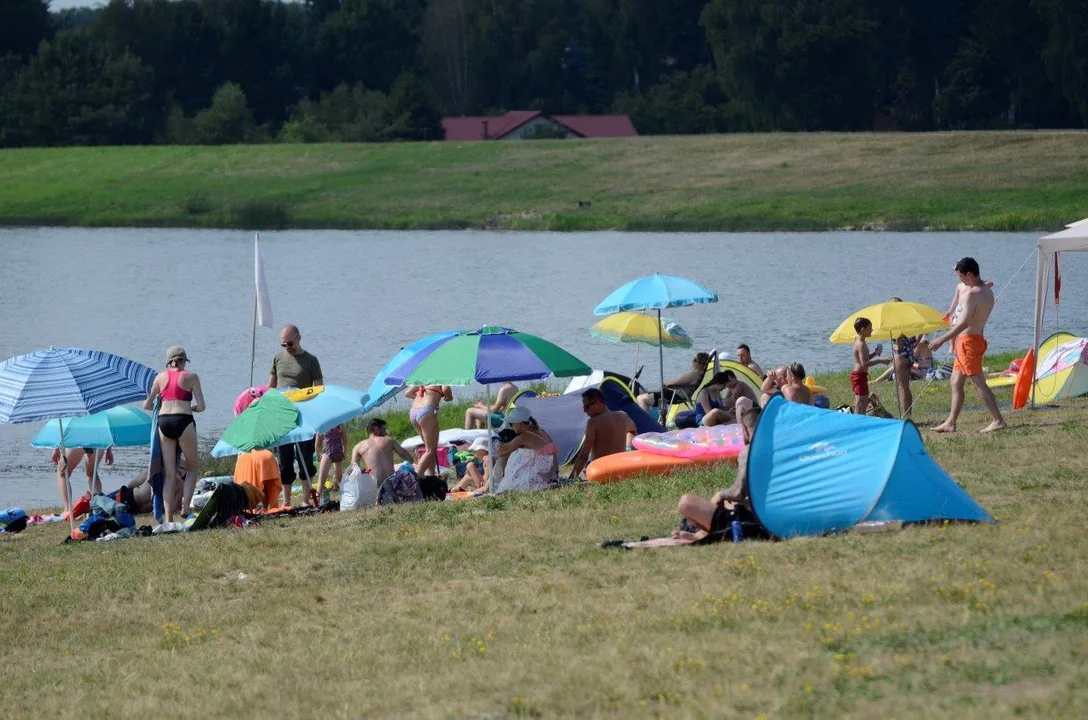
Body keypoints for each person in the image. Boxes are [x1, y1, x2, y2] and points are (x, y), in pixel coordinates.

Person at [930, 257, 1007, 433]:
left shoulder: (973, 293)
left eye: (961, 277)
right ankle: (950, 422)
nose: (960, 281)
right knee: (956, 381)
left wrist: (941, 340)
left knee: (979, 382)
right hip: (970, 341)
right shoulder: (986, 290)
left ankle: (998, 419)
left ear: (970, 274)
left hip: (969, 342)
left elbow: (964, 323)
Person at [672, 407, 764, 543]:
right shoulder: (778, 448)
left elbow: (738, 492)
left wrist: (720, 494)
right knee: (727, 504)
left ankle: (701, 534)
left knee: (686, 502)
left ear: (744, 430)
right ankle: (701, 533)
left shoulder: (749, 451)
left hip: (752, 519)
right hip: (770, 514)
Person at [143, 346, 206, 522]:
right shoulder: (191, 377)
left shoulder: (160, 377)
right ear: (183, 361)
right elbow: (202, 406)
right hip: (183, 421)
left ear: (169, 362)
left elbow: (146, 405)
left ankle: (169, 517)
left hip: (164, 423)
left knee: (170, 473)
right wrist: (191, 408)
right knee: (192, 467)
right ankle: (185, 507)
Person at [268, 324, 323, 505]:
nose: (287, 347)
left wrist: (313, 408)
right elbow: (271, 387)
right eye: (283, 344)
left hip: (303, 413)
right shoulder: (277, 358)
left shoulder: (311, 360)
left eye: (290, 343)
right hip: (282, 413)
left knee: (305, 457)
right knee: (285, 458)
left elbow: (319, 388)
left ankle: (306, 499)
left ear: (299, 338)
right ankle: (287, 501)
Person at [570, 388, 637, 480]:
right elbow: (633, 430)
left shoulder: (593, 422)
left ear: (598, 403)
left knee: (589, 459)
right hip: (620, 467)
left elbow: (583, 455)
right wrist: (628, 448)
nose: (584, 411)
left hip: (600, 469)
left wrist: (572, 478)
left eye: (586, 407)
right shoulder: (623, 416)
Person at [494, 406, 559, 493]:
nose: (511, 427)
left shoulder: (524, 437)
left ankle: (498, 482)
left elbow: (501, 452)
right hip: (547, 475)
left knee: (510, 454)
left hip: (532, 477)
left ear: (520, 423)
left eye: (512, 424)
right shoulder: (542, 432)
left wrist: (500, 447)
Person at [636, 352, 711, 415]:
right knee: (642, 396)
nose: (693, 361)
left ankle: (647, 421)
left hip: (674, 396)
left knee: (642, 399)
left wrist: (664, 382)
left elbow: (674, 383)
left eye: (695, 360)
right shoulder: (699, 375)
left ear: (699, 363)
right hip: (675, 395)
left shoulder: (694, 374)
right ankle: (662, 417)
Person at [350, 419, 415, 490]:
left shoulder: (358, 446)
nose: (385, 433)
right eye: (384, 429)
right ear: (377, 429)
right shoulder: (389, 440)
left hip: (374, 487)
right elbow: (409, 459)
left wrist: (365, 472)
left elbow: (354, 470)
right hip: (393, 484)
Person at [406, 384, 453, 477]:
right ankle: (415, 479)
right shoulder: (441, 380)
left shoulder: (425, 380)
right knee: (431, 450)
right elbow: (446, 388)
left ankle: (431, 475)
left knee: (429, 448)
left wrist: (422, 398)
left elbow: (408, 393)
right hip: (426, 412)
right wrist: (448, 397)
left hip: (414, 411)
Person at [53, 446, 115, 516]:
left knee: (63, 475)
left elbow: (60, 434)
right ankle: (99, 506)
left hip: (77, 441)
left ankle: (67, 510)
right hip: (97, 443)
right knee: (92, 474)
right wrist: (109, 449)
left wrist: (56, 448)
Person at [851, 319, 891, 415]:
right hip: (858, 375)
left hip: (862, 375)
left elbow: (865, 358)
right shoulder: (860, 344)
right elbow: (864, 363)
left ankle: (862, 418)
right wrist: (880, 361)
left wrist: (875, 353)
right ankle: (857, 420)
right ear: (862, 329)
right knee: (860, 401)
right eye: (870, 328)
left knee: (864, 400)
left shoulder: (862, 342)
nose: (872, 330)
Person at [316, 424, 346, 505]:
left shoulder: (324, 424)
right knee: (334, 478)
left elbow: (318, 442)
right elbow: (318, 442)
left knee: (324, 479)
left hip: (331, 452)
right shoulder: (339, 423)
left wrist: (317, 454)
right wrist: (318, 454)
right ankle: (317, 501)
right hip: (333, 452)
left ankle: (317, 501)